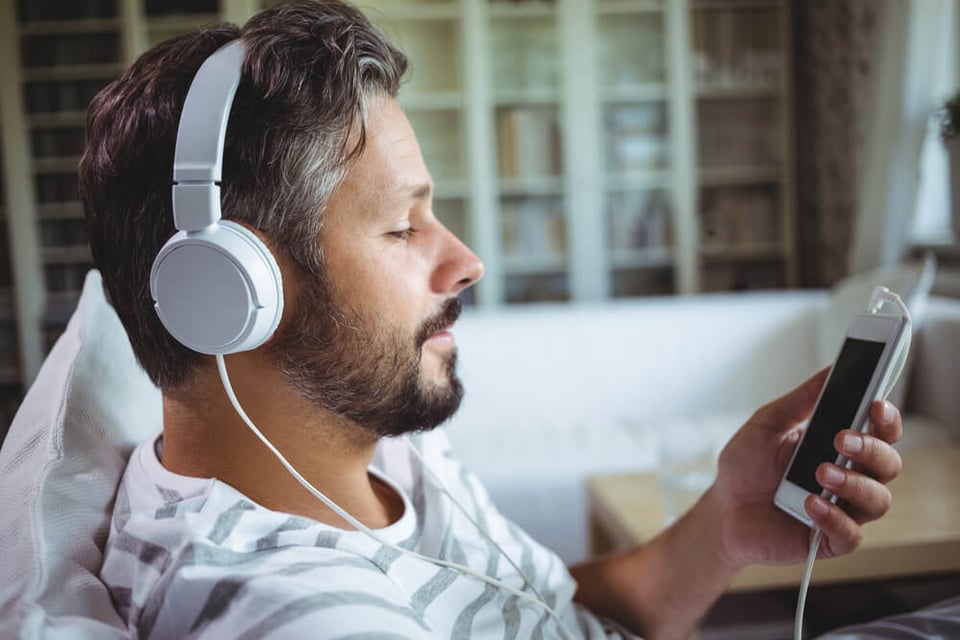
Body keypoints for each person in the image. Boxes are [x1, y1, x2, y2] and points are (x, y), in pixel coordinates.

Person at [78, 1, 907, 638]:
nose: (467, 261)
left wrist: (724, 525)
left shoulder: (370, 442)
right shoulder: (298, 615)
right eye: (404, 226)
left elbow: (547, 610)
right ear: (229, 292)